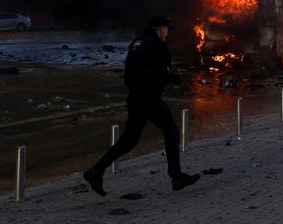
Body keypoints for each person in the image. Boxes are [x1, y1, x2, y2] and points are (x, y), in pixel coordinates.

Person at [83, 15, 200, 196]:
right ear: (159, 28)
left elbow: (154, 70)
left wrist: (172, 78)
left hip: (141, 98)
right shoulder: (146, 42)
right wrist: (150, 85)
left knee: (130, 140)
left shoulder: (148, 42)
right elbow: (134, 65)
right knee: (171, 131)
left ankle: (95, 171)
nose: (167, 33)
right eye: (166, 29)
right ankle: (176, 176)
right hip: (147, 98)